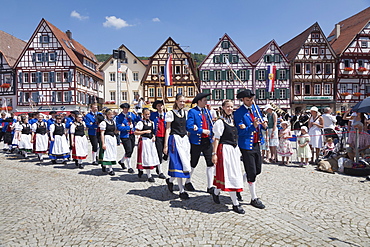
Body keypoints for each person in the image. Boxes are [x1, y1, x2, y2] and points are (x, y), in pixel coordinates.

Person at [234, 89, 266, 209]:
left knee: (257, 169)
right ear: (243, 100)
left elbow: (261, 121)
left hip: (257, 143)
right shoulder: (239, 113)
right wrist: (253, 126)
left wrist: (263, 125)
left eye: (252, 99)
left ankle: (238, 186)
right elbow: (241, 132)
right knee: (251, 172)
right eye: (248, 100)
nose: (251, 102)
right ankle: (253, 198)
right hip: (246, 145)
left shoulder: (255, 109)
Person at [211, 100, 245, 214]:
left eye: (231, 106)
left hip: (234, 151)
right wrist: (214, 154)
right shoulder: (220, 122)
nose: (230, 108)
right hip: (224, 150)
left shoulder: (233, 121)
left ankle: (215, 192)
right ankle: (235, 204)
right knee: (229, 176)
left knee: (231, 174)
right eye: (227, 107)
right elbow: (216, 139)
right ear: (223, 108)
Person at [163, 94, 191, 200]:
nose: (182, 103)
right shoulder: (170, 113)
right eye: (181, 101)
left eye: (184, 102)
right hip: (175, 139)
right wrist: (165, 145)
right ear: (176, 101)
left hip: (184, 140)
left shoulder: (186, 113)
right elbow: (168, 129)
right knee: (178, 164)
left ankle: (170, 181)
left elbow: (187, 127)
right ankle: (181, 190)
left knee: (184, 163)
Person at [186, 92, 214, 193]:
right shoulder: (192, 112)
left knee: (210, 163)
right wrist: (201, 130)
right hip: (196, 141)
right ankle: (188, 181)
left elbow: (210, 124)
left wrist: (213, 133)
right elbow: (189, 126)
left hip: (207, 140)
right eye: (204, 100)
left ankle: (210, 186)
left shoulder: (207, 111)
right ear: (199, 101)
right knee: (193, 162)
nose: (206, 102)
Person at [135, 108, 160, 182]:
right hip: (144, 141)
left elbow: (152, 132)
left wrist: (154, 136)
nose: (147, 116)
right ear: (143, 115)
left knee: (151, 156)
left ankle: (144, 170)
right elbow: (136, 132)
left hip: (150, 142)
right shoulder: (141, 123)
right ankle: (148, 175)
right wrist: (144, 131)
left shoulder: (152, 123)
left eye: (148, 114)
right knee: (145, 157)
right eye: (146, 114)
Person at [116, 103, 140, 173]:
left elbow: (138, 120)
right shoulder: (119, 117)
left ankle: (121, 161)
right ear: (122, 109)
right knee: (128, 150)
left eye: (127, 109)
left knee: (130, 150)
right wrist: (128, 127)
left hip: (132, 134)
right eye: (124, 109)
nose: (126, 110)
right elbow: (119, 127)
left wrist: (137, 114)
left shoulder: (131, 114)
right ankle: (129, 167)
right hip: (124, 136)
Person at [150, 100, 167, 179]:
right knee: (159, 154)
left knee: (167, 154)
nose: (160, 107)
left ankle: (157, 165)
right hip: (157, 136)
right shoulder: (153, 115)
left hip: (166, 137)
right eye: (158, 106)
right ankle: (160, 171)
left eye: (161, 105)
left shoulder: (167, 115)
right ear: (156, 107)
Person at [99, 110, 118, 176]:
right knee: (108, 153)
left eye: (112, 114)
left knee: (112, 152)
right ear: (107, 115)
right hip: (107, 138)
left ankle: (104, 165)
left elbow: (115, 131)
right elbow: (102, 133)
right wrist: (103, 143)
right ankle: (110, 169)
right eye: (110, 114)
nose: (111, 116)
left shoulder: (113, 122)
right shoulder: (103, 123)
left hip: (112, 139)